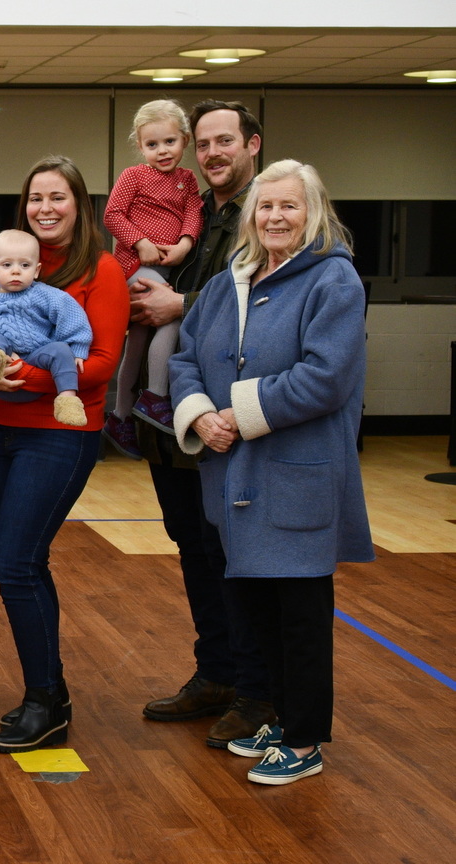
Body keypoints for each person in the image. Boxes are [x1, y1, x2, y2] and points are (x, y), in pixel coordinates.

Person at [170, 159, 373, 785]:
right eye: (266, 207)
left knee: (300, 614)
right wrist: (202, 417)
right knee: (255, 608)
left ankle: (305, 737)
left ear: (314, 213)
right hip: (231, 473)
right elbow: (184, 358)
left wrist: (241, 412)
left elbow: (326, 377)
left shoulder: (333, 280)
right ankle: (278, 719)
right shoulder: (234, 279)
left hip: (295, 475)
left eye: (290, 206)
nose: (276, 217)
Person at [0, 155, 128, 753]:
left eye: (58, 197)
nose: (46, 208)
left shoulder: (100, 271)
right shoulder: (3, 267)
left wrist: (24, 376)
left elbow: (102, 363)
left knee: (14, 562)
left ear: (79, 205)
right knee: (24, 563)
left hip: (59, 435)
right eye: (36, 198)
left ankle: (43, 700)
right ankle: (50, 694)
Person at [130, 101, 275, 749]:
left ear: (253, 144)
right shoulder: (205, 212)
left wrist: (176, 302)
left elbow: (264, 297)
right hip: (179, 420)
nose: (213, 153)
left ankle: (256, 690)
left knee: (234, 555)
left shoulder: (269, 214)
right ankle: (216, 673)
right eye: (206, 143)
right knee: (192, 543)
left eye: (225, 141)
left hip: (231, 422)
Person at [102, 100, 202, 457]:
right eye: (152, 145)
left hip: (168, 265)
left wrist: (185, 244)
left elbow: (193, 215)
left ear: (185, 141)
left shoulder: (187, 180)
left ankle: (121, 415)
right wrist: (140, 242)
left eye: (170, 142)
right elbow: (113, 214)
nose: (162, 151)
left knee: (139, 342)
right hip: (135, 267)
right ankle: (156, 396)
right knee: (171, 322)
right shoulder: (134, 176)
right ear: (141, 146)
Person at [0, 230, 93, 427]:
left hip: (37, 361)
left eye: (25, 265)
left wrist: (78, 347)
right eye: (7, 264)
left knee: (61, 349)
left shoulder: (45, 295)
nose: (16, 271)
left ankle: (68, 399)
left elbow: (71, 315)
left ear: (36, 270)